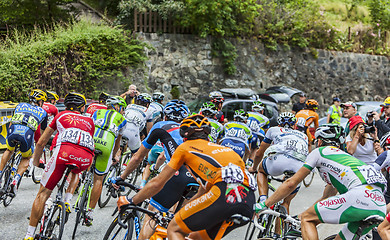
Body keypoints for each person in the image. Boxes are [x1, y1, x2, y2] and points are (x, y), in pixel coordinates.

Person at [117, 114, 257, 240]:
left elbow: (158, 183)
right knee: (196, 237)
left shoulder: (185, 147)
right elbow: (203, 191)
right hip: (248, 200)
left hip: (223, 193)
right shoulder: (225, 150)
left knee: (174, 228)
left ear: (184, 135)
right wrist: (185, 211)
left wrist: (132, 201)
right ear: (207, 134)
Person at [255, 124, 387, 240]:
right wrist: (298, 217)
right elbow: (327, 197)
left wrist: (265, 204)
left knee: (307, 219)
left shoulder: (320, 152)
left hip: (359, 197)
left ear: (319, 142)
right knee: (311, 218)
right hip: (379, 205)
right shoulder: (345, 160)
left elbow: (291, 183)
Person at [111, 99, 195, 240]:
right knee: (179, 225)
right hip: (199, 179)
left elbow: (137, 158)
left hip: (178, 174)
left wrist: (122, 177)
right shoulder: (190, 132)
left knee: (152, 215)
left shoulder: (160, 126)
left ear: (165, 116)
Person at [23, 92, 95, 240]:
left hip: (64, 152)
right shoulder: (90, 121)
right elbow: (86, 143)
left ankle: (29, 234)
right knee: (76, 171)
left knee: (43, 193)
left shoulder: (61, 115)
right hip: (86, 158)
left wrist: (35, 162)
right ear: (82, 108)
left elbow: (41, 142)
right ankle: (67, 199)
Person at [249, 112, 308, 213]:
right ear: (294, 125)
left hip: (279, 161)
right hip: (300, 166)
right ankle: (280, 227)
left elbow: (259, 153)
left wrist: (254, 168)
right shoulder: (304, 136)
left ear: (279, 124)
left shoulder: (273, 129)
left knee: (261, 171)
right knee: (285, 203)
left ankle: (263, 199)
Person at [85, 96, 127, 226]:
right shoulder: (123, 120)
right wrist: (114, 156)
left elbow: (88, 127)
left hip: (91, 141)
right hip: (106, 145)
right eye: (123, 108)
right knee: (98, 179)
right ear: (118, 107)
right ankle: (89, 213)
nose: (123, 111)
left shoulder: (97, 112)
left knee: (83, 169)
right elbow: (117, 143)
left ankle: (79, 183)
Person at [0, 89, 48, 193]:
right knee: (27, 157)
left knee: (8, 150)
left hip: (13, 130)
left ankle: (0, 174)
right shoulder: (43, 112)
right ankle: (16, 179)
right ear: (40, 101)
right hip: (27, 134)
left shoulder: (20, 105)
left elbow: (12, 121)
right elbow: (43, 133)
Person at [247, 100, 269, 166]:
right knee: (255, 148)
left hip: (246, 133)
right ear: (262, 111)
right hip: (255, 135)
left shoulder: (247, 113)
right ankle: (250, 163)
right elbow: (266, 131)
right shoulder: (265, 118)